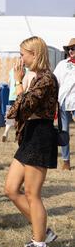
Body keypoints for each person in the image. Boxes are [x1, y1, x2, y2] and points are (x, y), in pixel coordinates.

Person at [5, 36, 59, 247]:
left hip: (40, 136)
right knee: (10, 188)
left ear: (34, 54)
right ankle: (43, 232)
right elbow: (17, 109)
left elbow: (22, 107)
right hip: (30, 136)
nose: (21, 59)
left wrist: (18, 83)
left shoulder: (46, 79)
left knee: (31, 193)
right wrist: (22, 85)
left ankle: (39, 245)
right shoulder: (36, 78)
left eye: (23, 54)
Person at [54, 38, 75, 171]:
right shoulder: (62, 64)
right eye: (70, 49)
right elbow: (55, 81)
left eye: (74, 48)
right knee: (64, 132)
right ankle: (66, 161)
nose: (71, 51)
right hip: (64, 101)